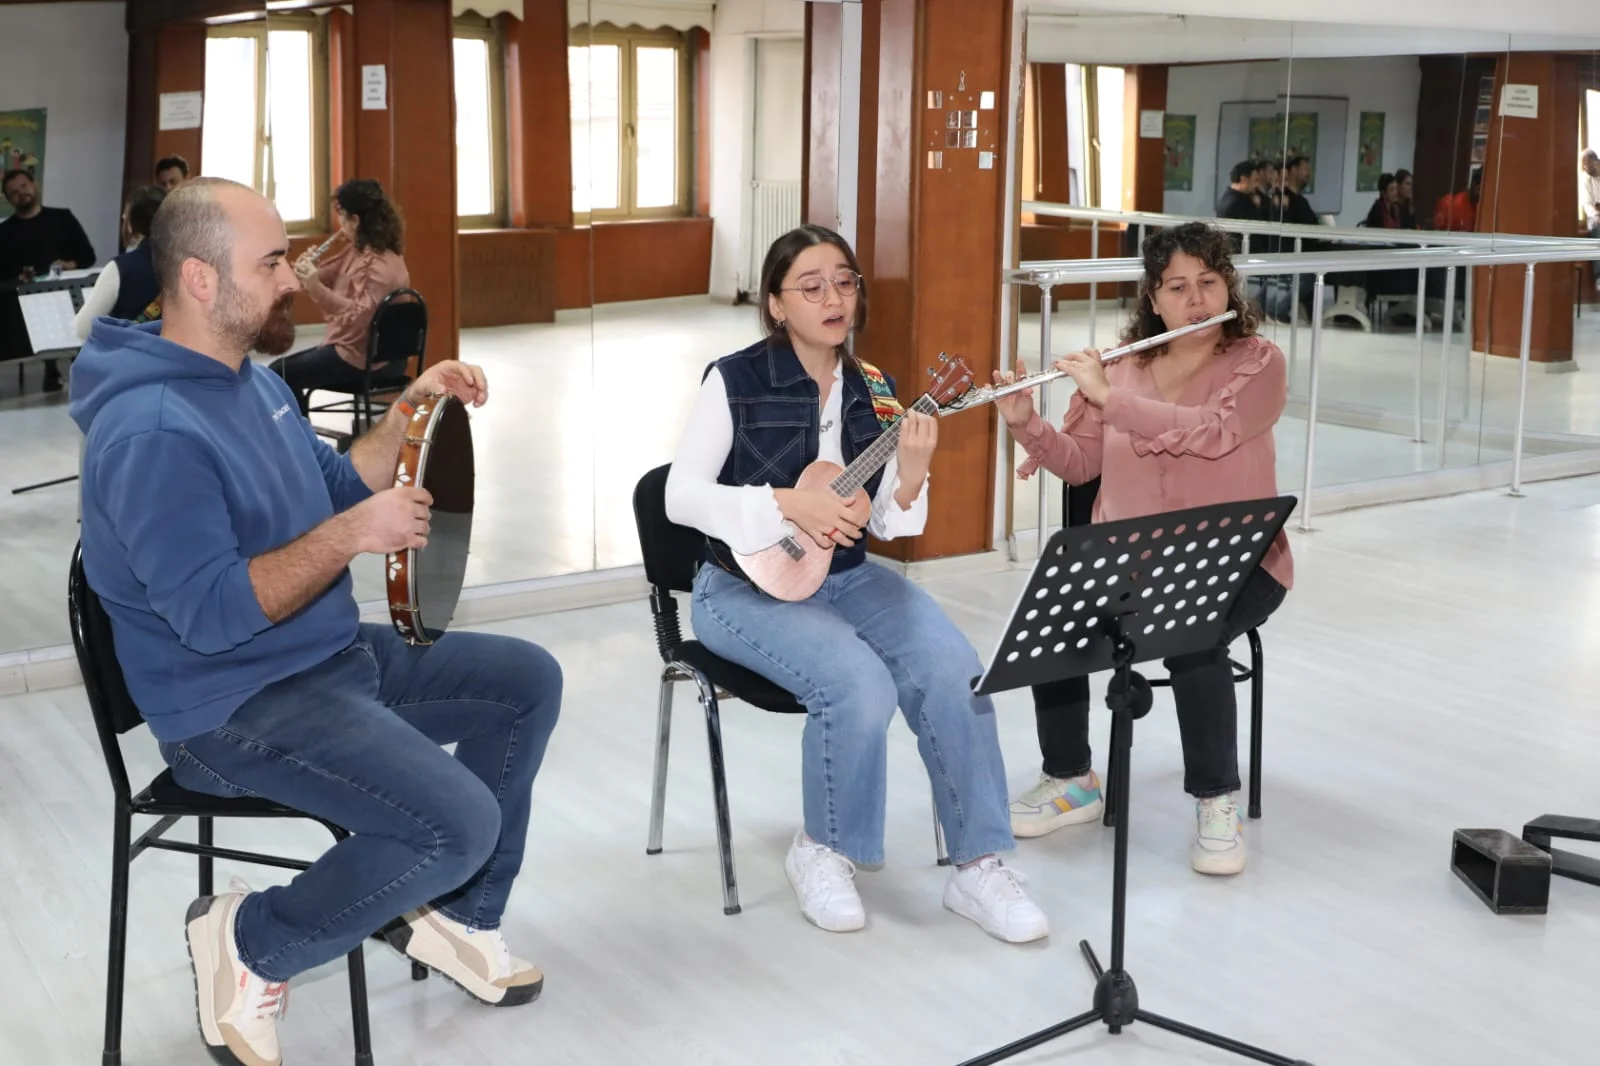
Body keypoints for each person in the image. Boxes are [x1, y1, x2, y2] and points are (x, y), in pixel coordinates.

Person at [69, 177, 561, 1066]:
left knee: (525, 683)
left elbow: (337, 487)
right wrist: (346, 540)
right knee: (457, 824)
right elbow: (214, 616)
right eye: (269, 265)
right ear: (202, 280)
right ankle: (254, 940)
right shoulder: (150, 432)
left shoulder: (246, 384)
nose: (292, 281)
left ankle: (454, 916)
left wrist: (411, 415)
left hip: (321, 659)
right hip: (230, 709)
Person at [663, 224, 1048, 943]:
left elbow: (895, 525)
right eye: (811, 286)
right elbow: (679, 498)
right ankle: (823, 848)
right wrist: (785, 502)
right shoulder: (735, 379)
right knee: (858, 684)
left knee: (954, 668)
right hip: (739, 589)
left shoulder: (877, 390)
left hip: (845, 575)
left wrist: (916, 471)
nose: (833, 297)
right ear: (776, 304)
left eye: (844, 281)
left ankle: (979, 866)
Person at [996, 221, 1293, 878]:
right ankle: (1072, 778)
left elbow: (1212, 434)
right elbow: (1079, 465)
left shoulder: (1257, 362)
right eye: (1178, 287)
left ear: (1228, 287)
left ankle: (1217, 799)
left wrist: (1112, 399)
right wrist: (1027, 425)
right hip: (1132, 560)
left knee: (1191, 630)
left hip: (1236, 562)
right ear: (1152, 298)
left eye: (1209, 284)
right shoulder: (1124, 365)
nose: (1195, 302)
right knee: (1054, 612)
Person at [269, 178, 411, 415]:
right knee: (280, 369)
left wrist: (315, 286)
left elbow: (357, 318)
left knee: (280, 373)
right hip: (357, 349)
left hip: (367, 360)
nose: (340, 224)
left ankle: (301, 444)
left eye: (342, 216)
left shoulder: (379, 266)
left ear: (355, 220)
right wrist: (304, 272)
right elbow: (328, 275)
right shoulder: (359, 250)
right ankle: (299, 440)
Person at [0, 167, 96, 391]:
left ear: (34, 185)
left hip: (65, 292)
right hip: (28, 299)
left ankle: (78, 366)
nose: (21, 193)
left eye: (23, 186)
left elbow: (88, 256)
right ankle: (51, 367)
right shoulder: (5, 232)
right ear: (9, 200)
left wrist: (70, 264)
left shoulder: (62, 218)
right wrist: (19, 277)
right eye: (14, 192)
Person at [74, 184, 166, 340]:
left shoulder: (121, 267)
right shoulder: (188, 263)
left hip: (133, 358)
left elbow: (82, 329)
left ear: (130, 225)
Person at [1581, 150, 1599, 292]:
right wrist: (1596, 214)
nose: (1587, 168)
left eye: (1588, 164)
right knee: (1596, 232)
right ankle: (1599, 277)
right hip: (1596, 219)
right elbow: (1586, 203)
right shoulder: (1585, 179)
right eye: (1584, 165)